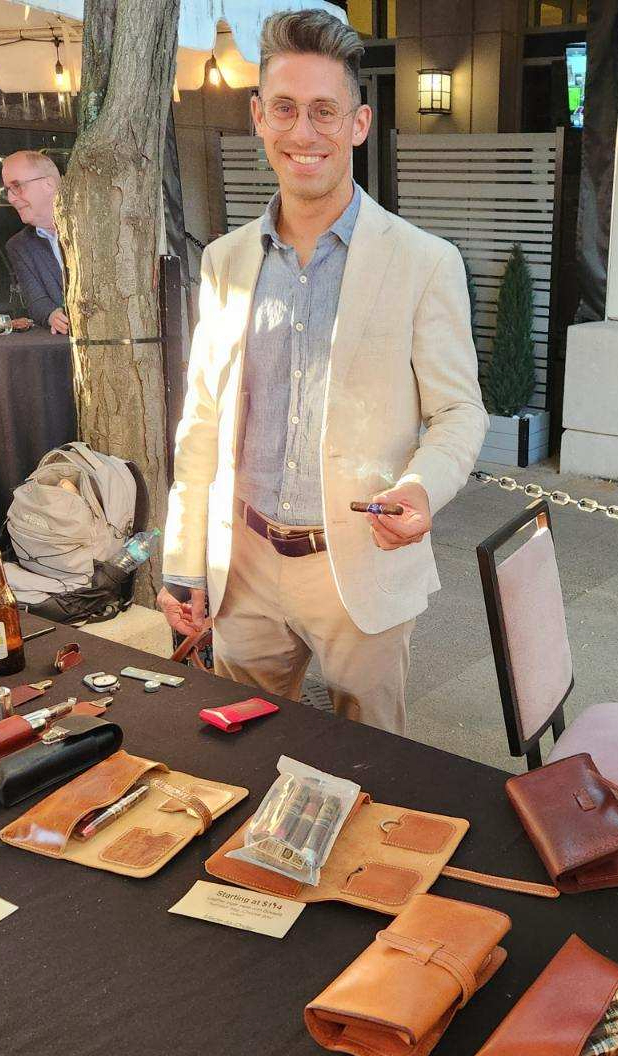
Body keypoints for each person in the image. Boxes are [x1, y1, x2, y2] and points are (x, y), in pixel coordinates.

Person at [157, 9, 485, 734]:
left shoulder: (424, 262)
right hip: (242, 568)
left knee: (374, 767)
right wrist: (183, 558)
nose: (303, 133)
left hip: (360, 563)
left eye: (324, 112)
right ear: (258, 118)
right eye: (285, 109)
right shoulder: (225, 262)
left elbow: (460, 412)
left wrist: (422, 487)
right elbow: (202, 421)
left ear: (358, 125)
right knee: (242, 754)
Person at [1, 150, 67, 335]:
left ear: (49, 184)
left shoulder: (95, 228)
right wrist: (52, 315)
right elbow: (35, 300)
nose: (11, 198)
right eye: (7, 190)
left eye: (17, 186)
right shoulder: (19, 246)